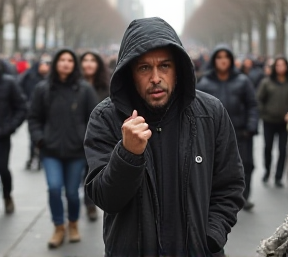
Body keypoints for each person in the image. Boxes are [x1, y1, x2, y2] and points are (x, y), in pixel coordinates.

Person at [84, 17, 245, 257]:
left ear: (178, 69)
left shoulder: (210, 113)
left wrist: (210, 237)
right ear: (130, 74)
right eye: (144, 68)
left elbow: (230, 185)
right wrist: (127, 154)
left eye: (165, 66)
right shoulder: (106, 117)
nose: (156, 77)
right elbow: (105, 199)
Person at [28, 49, 98, 248]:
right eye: (62, 60)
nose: (66, 63)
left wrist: (85, 142)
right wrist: (39, 139)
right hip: (50, 151)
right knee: (54, 188)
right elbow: (33, 117)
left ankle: (73, 224)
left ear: (74, 64)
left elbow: (94, 118)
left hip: (76, 152)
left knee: (73, 193)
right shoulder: (43, 89)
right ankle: (59, 227)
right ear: (56, 63)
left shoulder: (84, 89)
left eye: (69, 60)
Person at [197, 45, 258, 211]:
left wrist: (251, 127)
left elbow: (252, 105)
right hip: (214, 134)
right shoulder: (204, 83)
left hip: (241, 132)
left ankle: (244, 197)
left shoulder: (243, 81)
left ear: (231, 60)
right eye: (219, 57)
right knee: (214, 166)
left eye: (226, 57)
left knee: (246, 165)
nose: (223, 60)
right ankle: (216, 199)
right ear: (214, 60)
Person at [80, 51, 110, 221]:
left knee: (92, 170)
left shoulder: (106, 87)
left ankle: (90, 204)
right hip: (76, 137)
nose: (89, 64)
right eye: (85, 60)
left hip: (99, 136)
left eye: (92, 60)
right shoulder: (75, 85)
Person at [256, 56, 288, 188]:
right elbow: (259, 100)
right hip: (269, 121)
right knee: (268, 148)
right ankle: (267, 171)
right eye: (278, 65)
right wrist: (264, 113)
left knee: (282, 149)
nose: (280, 68)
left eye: (283, 65)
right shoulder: (266, 82)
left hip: (284, 123)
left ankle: (279, 176)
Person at [0, 59, 27, 214]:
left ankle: (7, 195)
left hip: (2, 137)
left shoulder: (9, 83)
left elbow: (22, 108)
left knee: (3, 169)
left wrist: (9, 127)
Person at [18, 54, 51, 170]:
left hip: (47, 113)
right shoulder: (29, 76)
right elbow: (19, 89)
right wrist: (25, 102)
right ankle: (32, 156)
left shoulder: (50, 79)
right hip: (32, 109)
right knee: (33, 136)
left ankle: (40, 157)